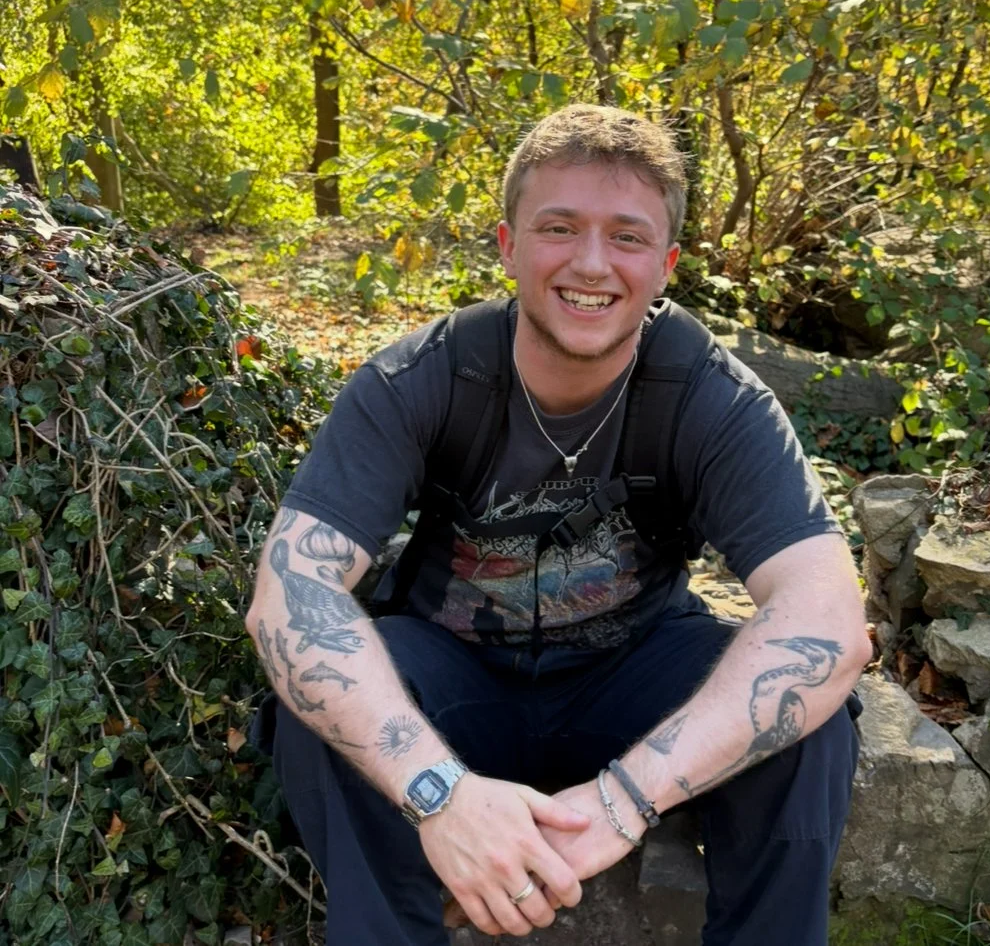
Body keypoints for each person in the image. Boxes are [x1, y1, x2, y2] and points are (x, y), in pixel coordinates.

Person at [245, 103, 871, 946]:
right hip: (452, 676)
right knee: (315, 701)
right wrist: (441, 797)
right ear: (508, 246)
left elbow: (827, 618)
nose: (590, 262)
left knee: (807, 715)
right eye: (558, 227)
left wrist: (625, 798)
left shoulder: (713, 398)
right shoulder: (420, 377)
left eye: (626, 236)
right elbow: (290, 594)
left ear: (665, 265)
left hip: (635, 674)